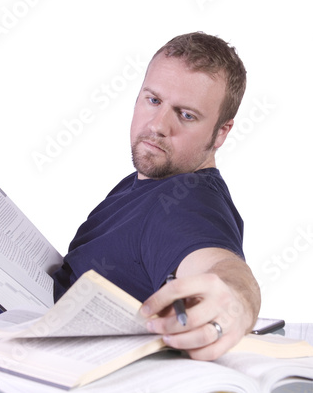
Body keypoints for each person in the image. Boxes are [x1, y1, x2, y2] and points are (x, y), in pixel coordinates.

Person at [52, 31, 261, 360]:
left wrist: (238, 300)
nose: (159, 125)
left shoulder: (188, 198)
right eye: (153, 100)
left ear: (221, 132)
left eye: (186, 115)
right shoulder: (140, 183)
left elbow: (220, 266)